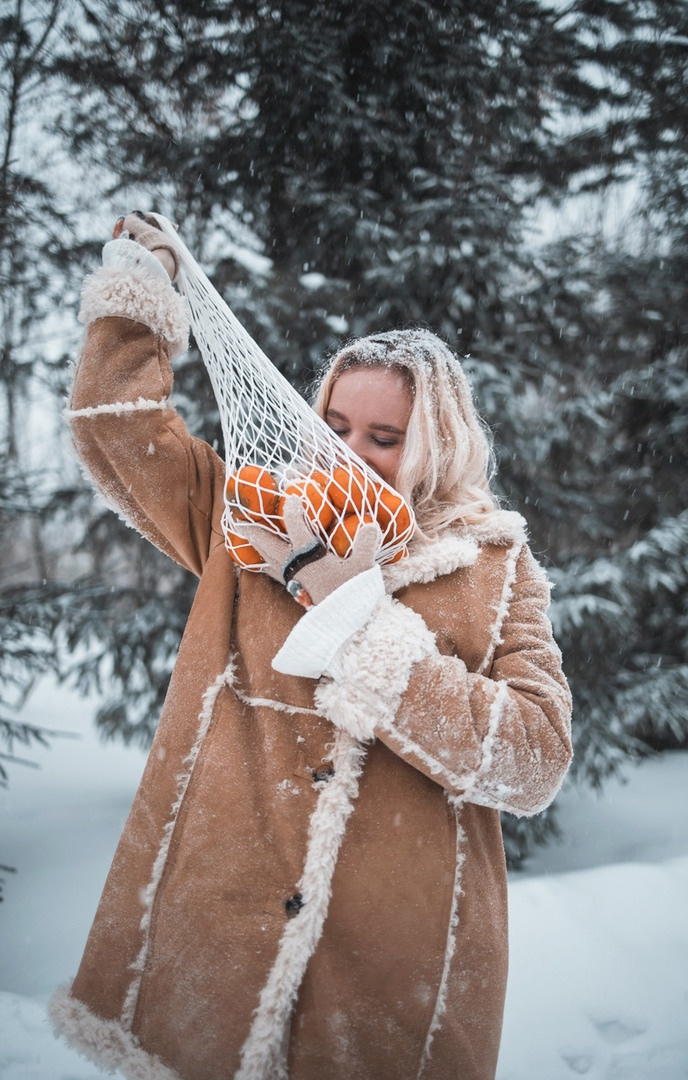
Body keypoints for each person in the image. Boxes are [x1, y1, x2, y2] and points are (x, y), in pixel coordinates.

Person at [50, 213, 572, 1080]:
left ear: (436, 443)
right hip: (224, 941)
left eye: (385, 436)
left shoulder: (495, 568)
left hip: (393, 974)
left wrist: (356, 623)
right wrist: (142, 293)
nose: (351, 455)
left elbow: (534, 760)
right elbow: (118, 430)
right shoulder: (256, 518)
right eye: (335, 425)